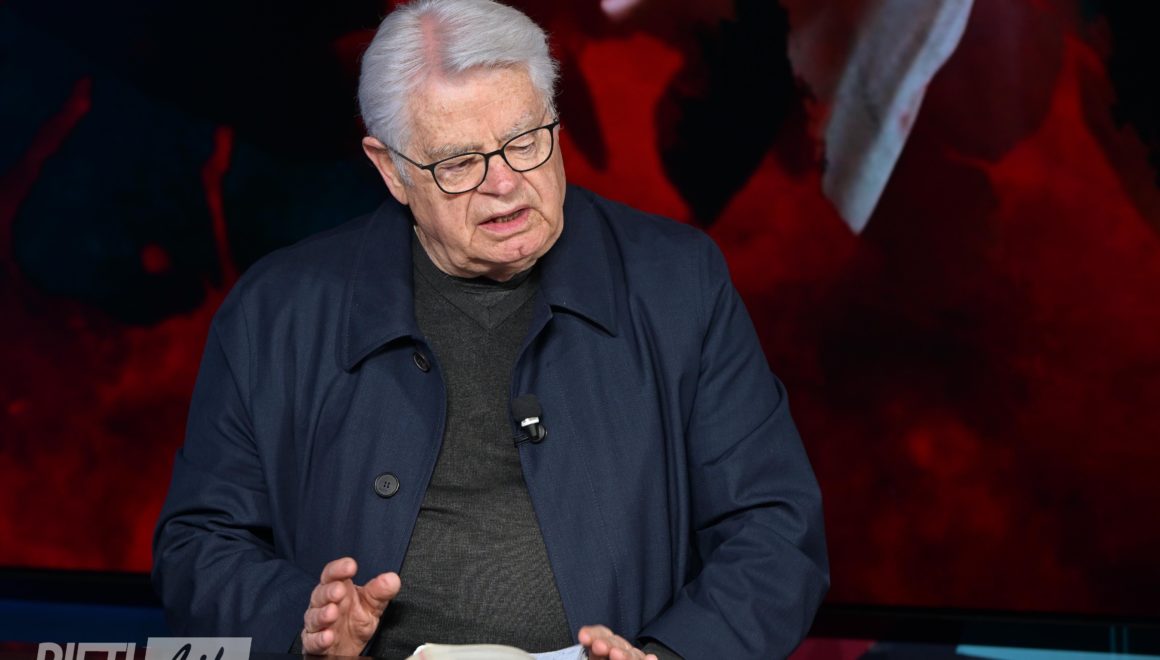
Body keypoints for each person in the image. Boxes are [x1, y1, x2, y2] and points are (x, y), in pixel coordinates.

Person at [151, 0, 829, 658]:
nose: (504, 183)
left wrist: (668, 655)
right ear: (390, 169)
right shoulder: (276, 312)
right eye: (458, 162)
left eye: (525, 142)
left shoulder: (678, 282)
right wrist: (301, 626)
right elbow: (198, 546)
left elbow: (774, 530)